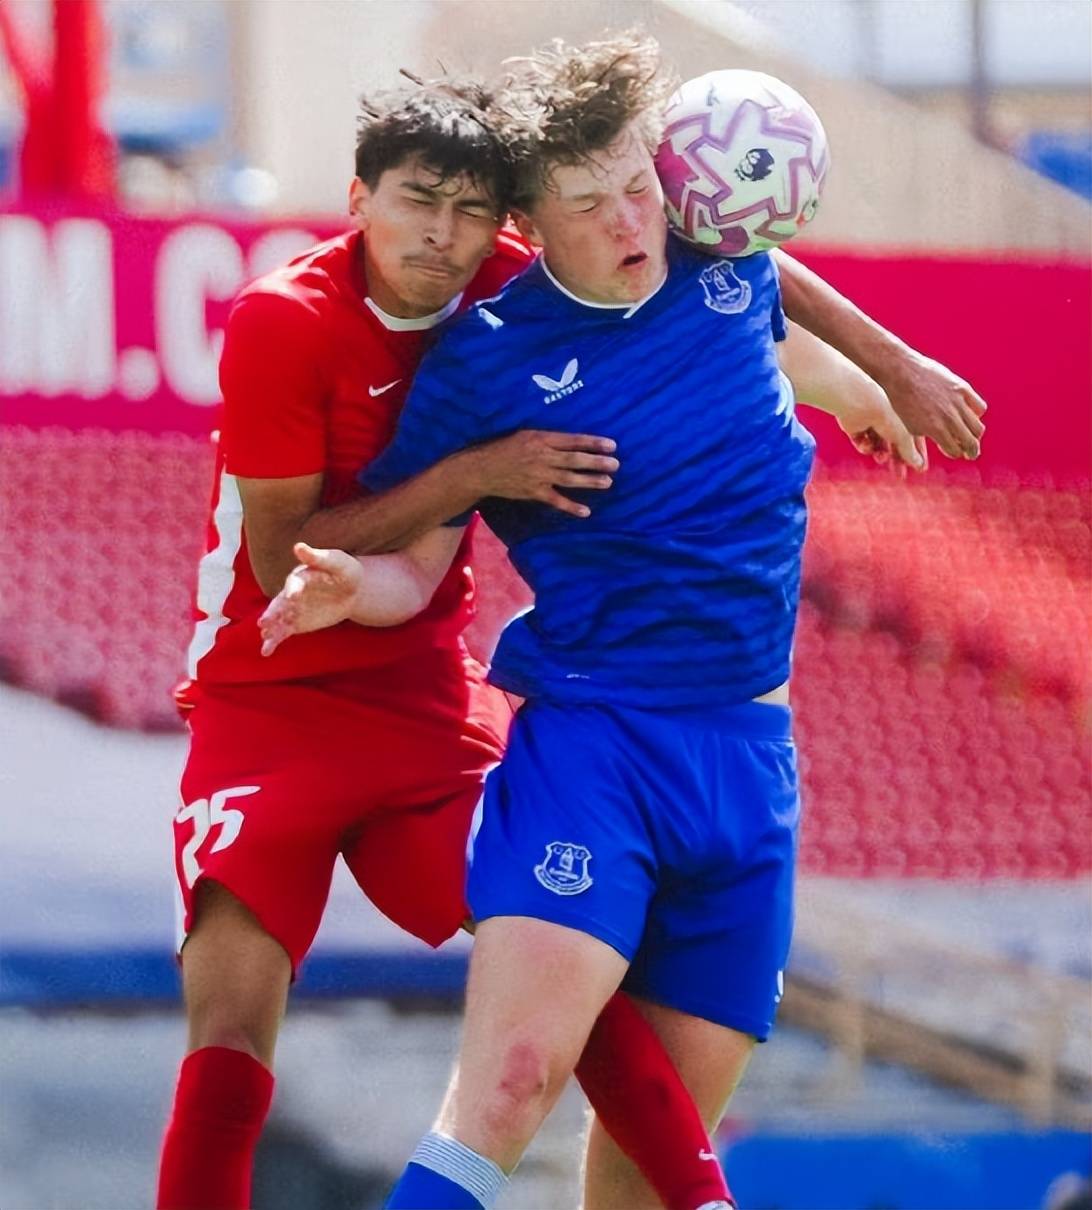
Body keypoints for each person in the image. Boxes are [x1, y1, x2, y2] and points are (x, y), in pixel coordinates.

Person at [257, 34, 974, 1210]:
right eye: (589, 205)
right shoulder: (486, 362)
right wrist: (351, 585)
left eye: (639, 184)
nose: (632, 221)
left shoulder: (718, 263)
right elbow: (414, 565)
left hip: (749, 766)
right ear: (531, 222)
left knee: (654, 1157)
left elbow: (769, 314)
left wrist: (872, 383)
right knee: (510, 1086)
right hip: (597, 748)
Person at [157, 78, 740, 1210]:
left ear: (501, 221)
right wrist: (478, 471)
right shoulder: (284, 318)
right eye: (418, 200)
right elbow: (283, 557)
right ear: (359, 199)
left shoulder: (511, 286)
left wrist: (887, 366)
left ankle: (706, 1201)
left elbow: (727, 266)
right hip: (264, 695)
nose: (443, 232)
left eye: (472, 209)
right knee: (228, 1030)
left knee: (560, 969)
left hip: (422, 697)